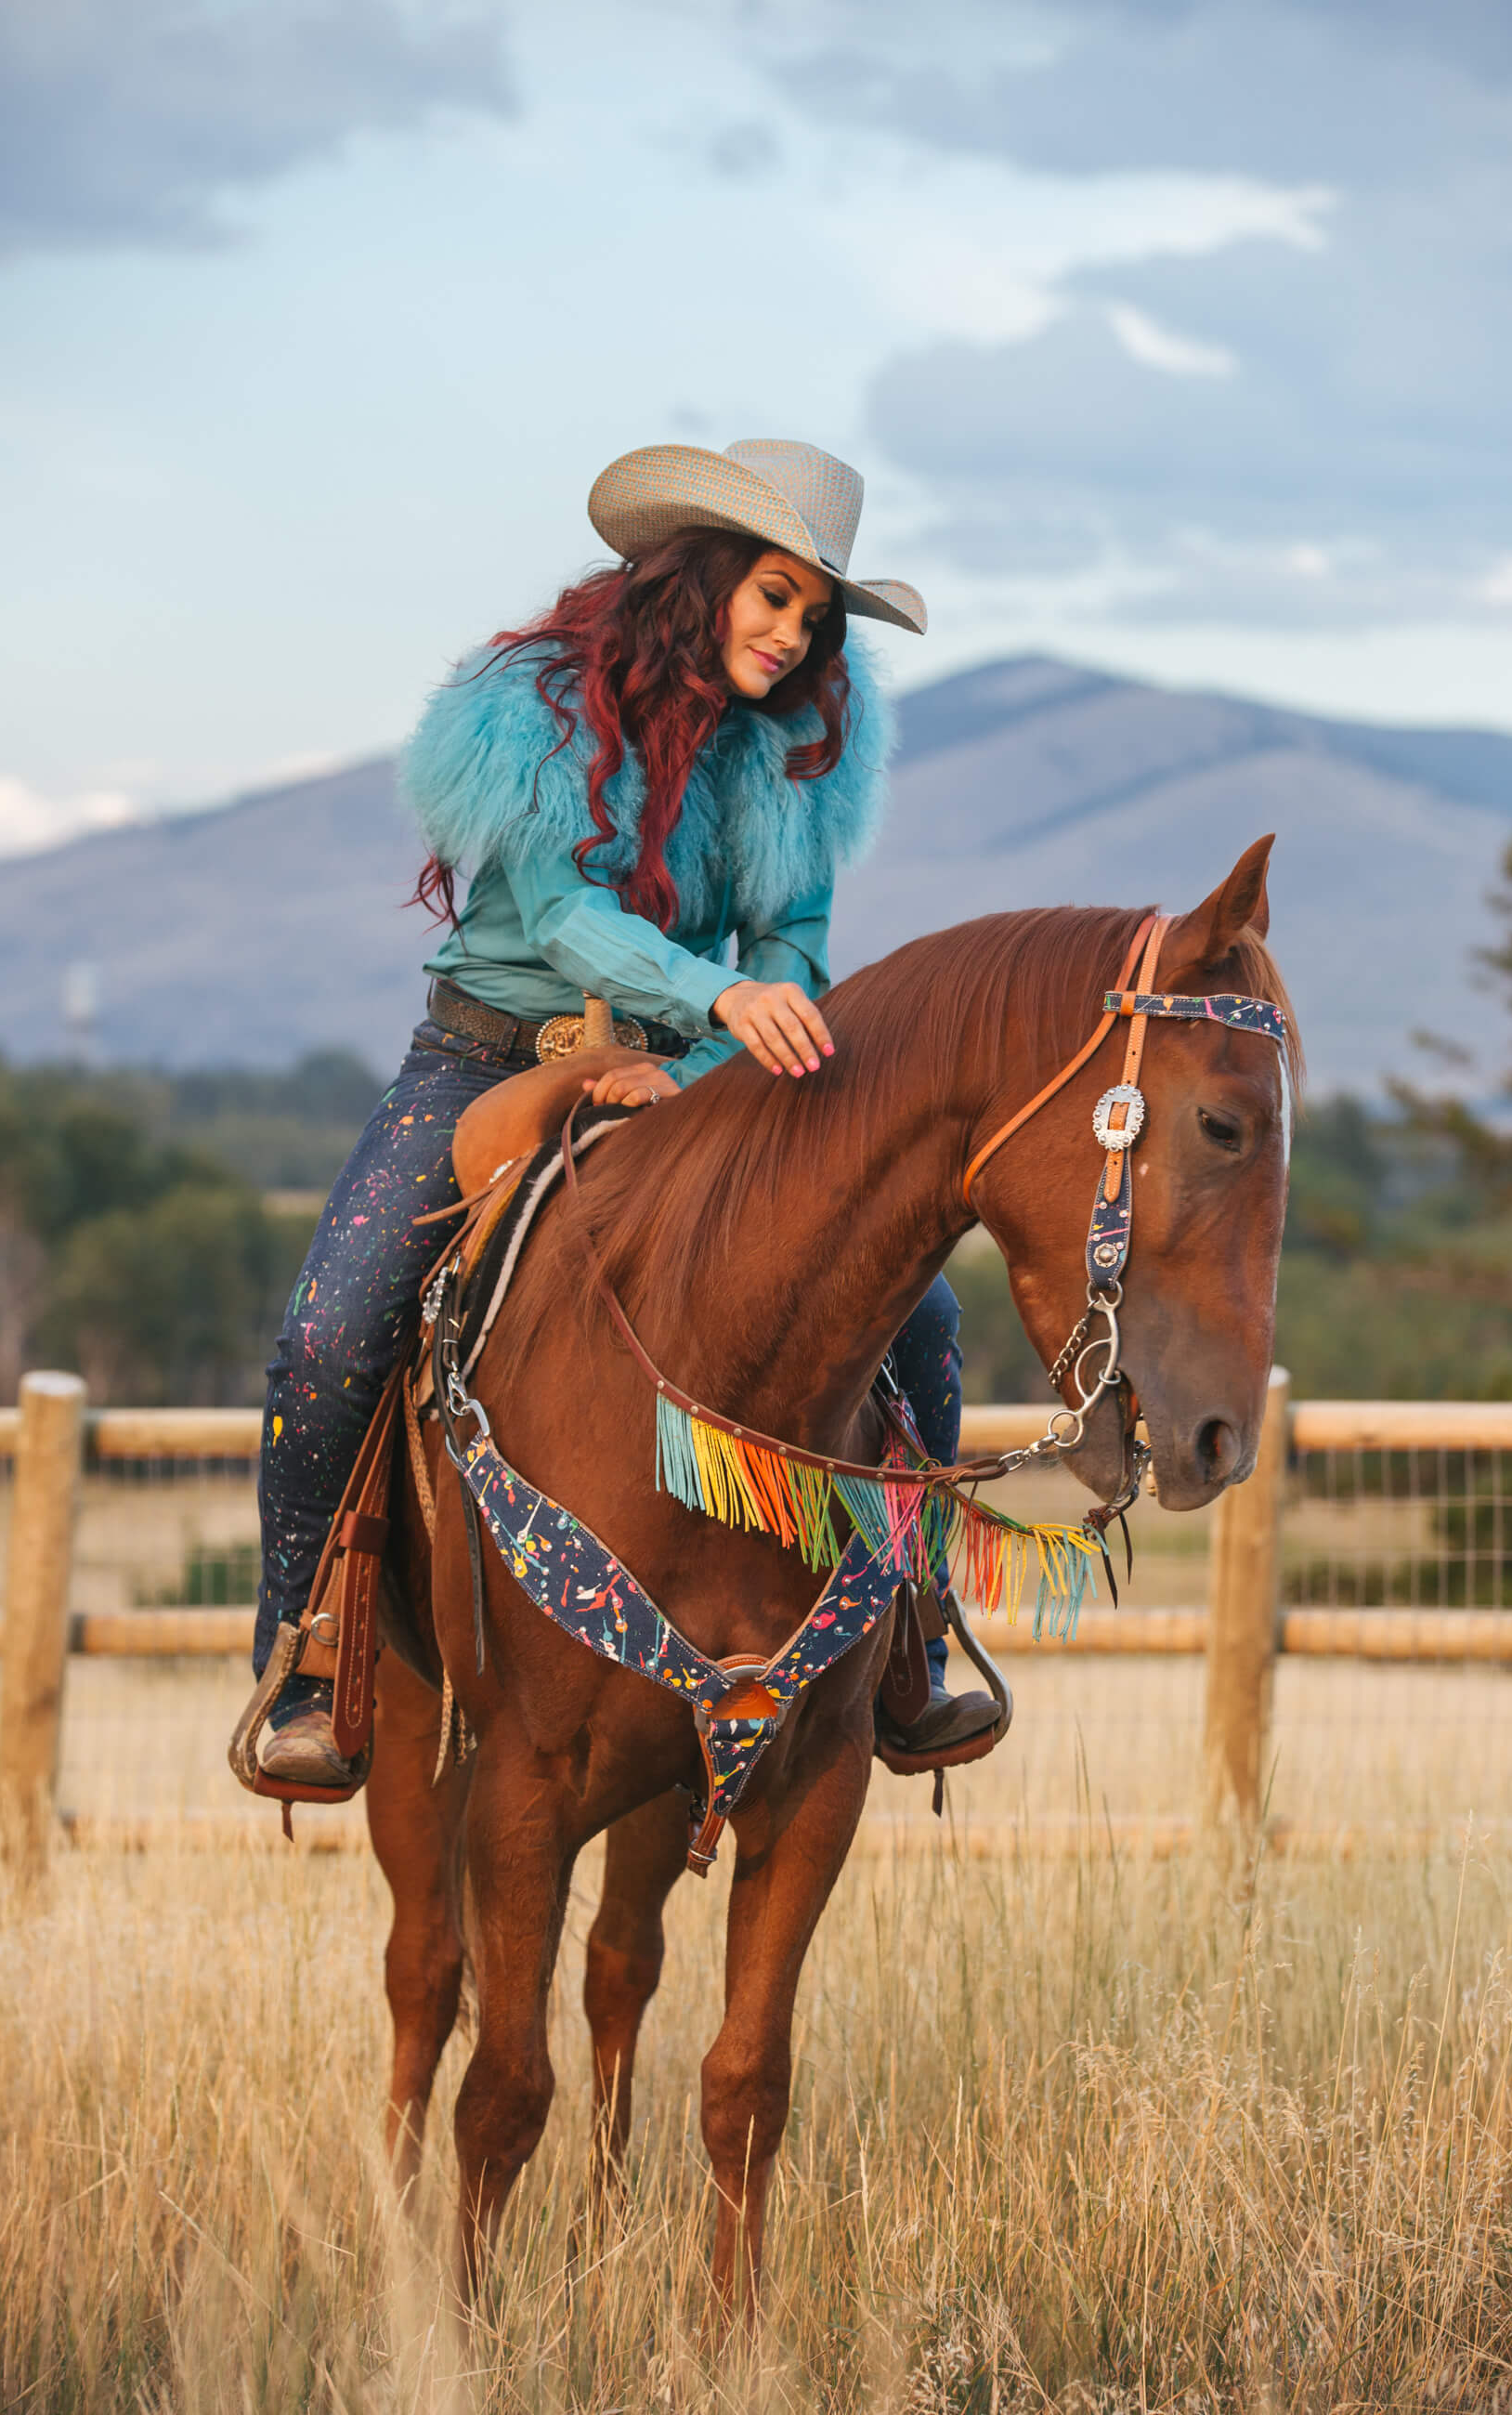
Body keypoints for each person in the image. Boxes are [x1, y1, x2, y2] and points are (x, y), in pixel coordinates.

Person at [252, 437, 998, 1786]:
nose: (793, 633)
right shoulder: (543, 705)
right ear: (702, 575)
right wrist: (714, 1001)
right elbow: (565, 921)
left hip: (696, 1077)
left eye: (815, 616)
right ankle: (308, 1653)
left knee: (922, 1314)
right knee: (327, 1333)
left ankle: (912, 1643)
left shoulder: (805, 742)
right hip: (491, 1058)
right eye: (774, 595)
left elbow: (793, 934)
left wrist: (728, 1044)